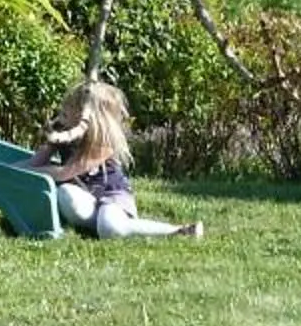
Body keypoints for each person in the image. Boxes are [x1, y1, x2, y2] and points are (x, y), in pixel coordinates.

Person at [22, 78, 201, 240]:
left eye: (71, 106)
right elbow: (35, 162)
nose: (63, 109)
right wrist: (6, 170)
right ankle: (99, 227)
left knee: (110, 227)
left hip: (112, 197)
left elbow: (66, 172)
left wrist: (24, 172)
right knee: (65, 194)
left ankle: (178, 231)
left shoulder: (103, 143)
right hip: (86, 198)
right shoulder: (61, 131)